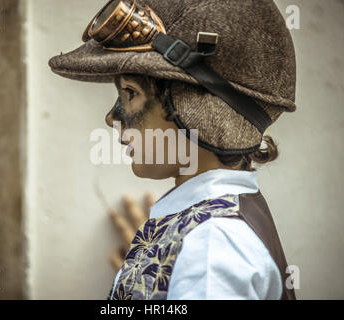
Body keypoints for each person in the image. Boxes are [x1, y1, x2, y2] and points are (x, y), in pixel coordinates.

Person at [49, 0, 297, 300]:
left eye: (130, 93)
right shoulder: (211, 228)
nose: (112, 118)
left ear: (194, 105)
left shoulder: (212, 246)